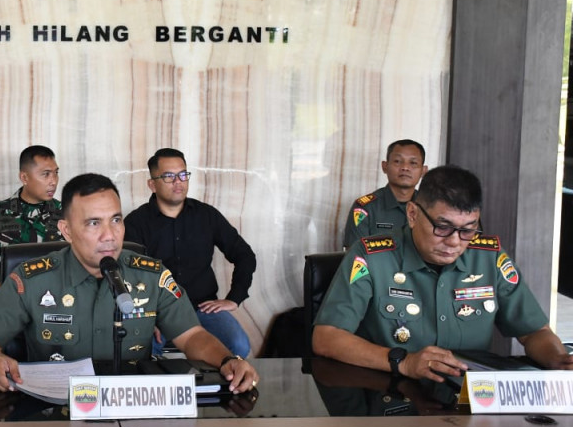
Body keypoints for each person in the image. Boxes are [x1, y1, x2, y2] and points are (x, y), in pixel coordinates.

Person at [0, 173, 259, 394]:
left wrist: (226, 361)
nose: (110, 235)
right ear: (66, 230)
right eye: (94, 223)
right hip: (55, 412)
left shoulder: (151, 275)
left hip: (133, 408)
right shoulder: (32, 278)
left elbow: (192, 336)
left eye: (115, 220)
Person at [313, 165, 573, 381]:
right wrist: (403, 362)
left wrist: (558, 360)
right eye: (443, 227)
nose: (454, 242)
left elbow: (534, 332)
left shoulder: (489, 258)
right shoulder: (371, 257)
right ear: (413, 214)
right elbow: (327, 337)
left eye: (468, 229)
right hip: (391, 395)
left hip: (470, 399)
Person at [124, 148, 256, 357]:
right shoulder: (135, 223)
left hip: (202, 308)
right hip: (156, 312)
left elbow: (244, 255)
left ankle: (213, 390)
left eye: (183, 174)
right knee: (139, 350)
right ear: (152, 184)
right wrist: (144, 315)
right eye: (169, 176)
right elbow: (127, 274)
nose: (179, 181)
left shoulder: (206, 216)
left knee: (238, 345)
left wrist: (234, 297)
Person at [0, 145, 63, 295]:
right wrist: (4, 295)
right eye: (46, 174)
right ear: (24, 177)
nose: (53, 181)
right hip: (8, 302)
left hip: (58, 303)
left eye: (55, 173)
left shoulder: (68, 214)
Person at [342, 139, 428, 248]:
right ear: (384, 166)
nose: (405, 168)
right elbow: (355, 256)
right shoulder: (364, 208)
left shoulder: (429, 208)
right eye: (397, 161)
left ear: (423, 171)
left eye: (413, 163)